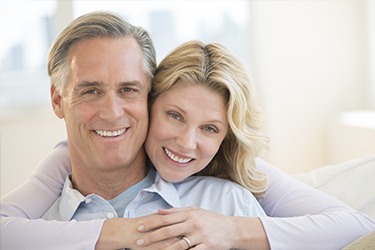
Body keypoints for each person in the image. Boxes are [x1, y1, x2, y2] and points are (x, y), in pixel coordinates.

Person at [1, 11, 374, 250]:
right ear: (57, 100)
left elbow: (354, 226)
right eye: (90, 90)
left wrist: (232, 232)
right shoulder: (37, 220)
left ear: (144, 98)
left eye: (128, 89)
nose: (112, 112)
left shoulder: (230, 203)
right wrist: (125, 233)